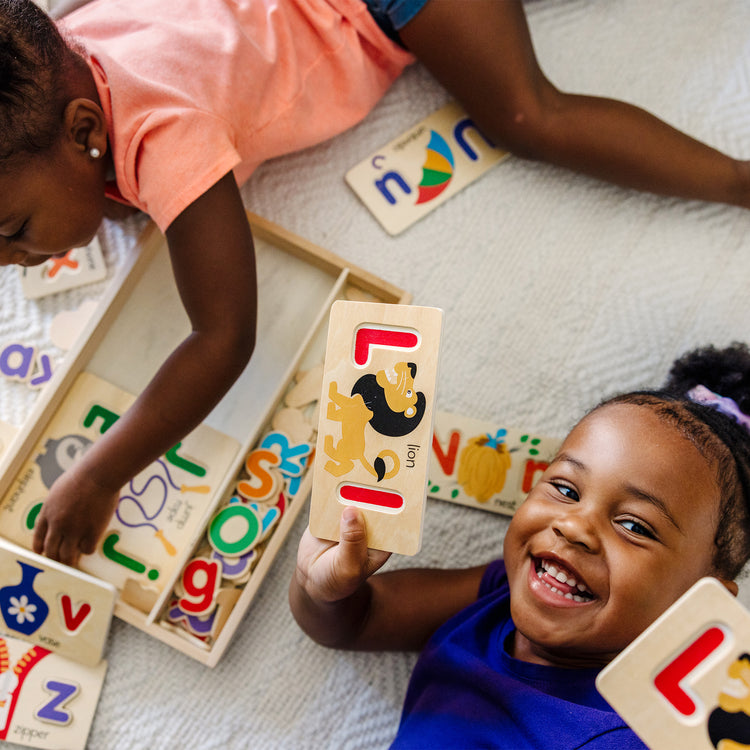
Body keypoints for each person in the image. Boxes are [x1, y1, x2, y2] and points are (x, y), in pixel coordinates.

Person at [2, 0, 749, 567]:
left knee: (527, 116)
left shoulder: (163, 136)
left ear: (83, 130)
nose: (9, 260)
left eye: (14, 231)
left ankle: (739, 182)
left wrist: (102, 475)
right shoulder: (66, 44)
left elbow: (223, 337)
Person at [290, 343, 750, 748]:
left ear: (703, 601)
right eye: (566, 491)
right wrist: (322, 589)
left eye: (634, 526)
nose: (574, 527)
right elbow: (357, 621)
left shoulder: (638, 735)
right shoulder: (498, 594)